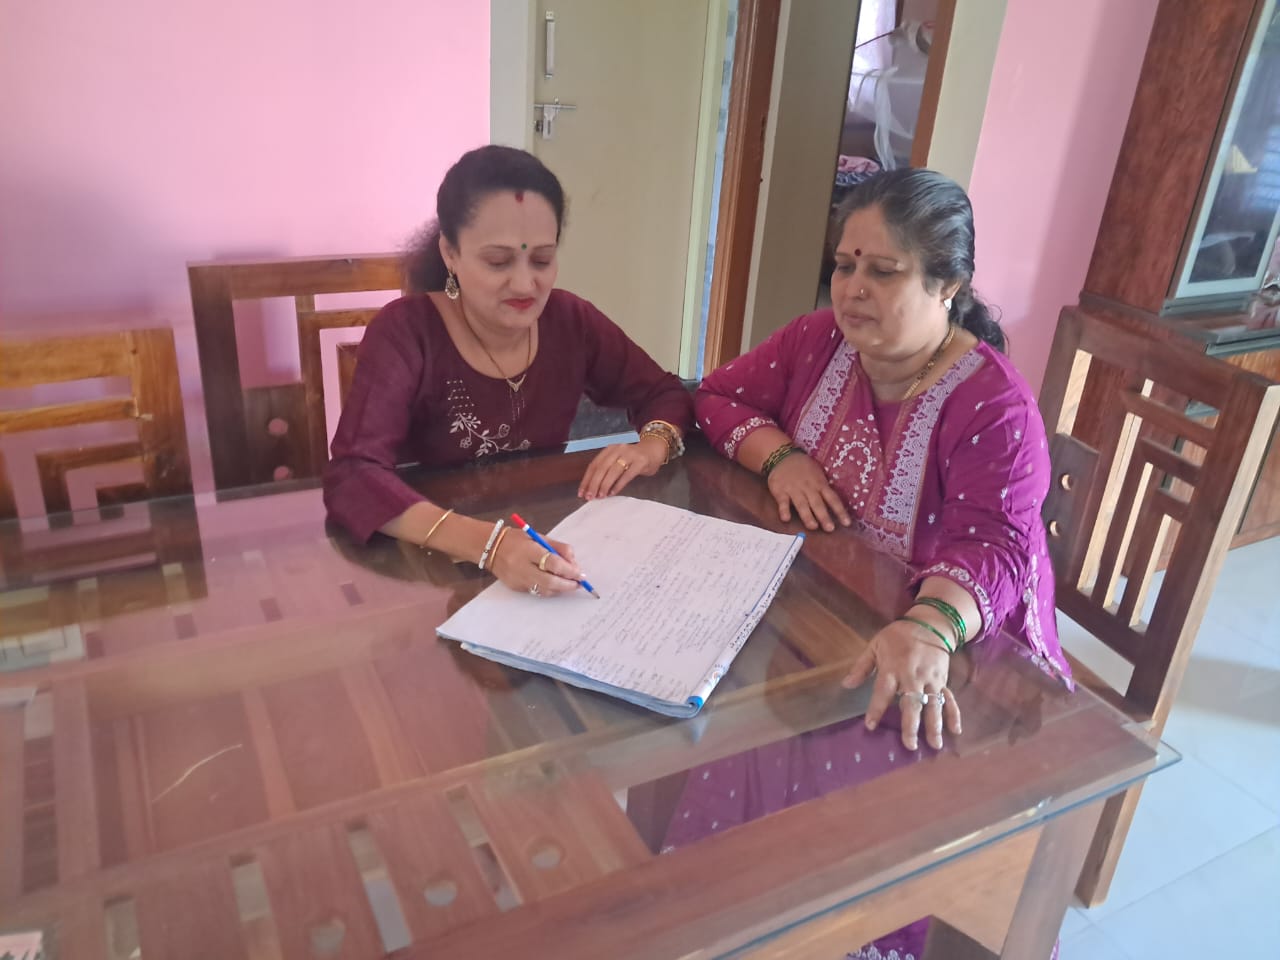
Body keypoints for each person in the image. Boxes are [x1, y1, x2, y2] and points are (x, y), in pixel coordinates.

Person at [689, 167, 1069, 960]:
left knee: (853, 758)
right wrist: (782, 457)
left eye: (884, 271)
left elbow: (995, 545)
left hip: (962, 651)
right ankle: (737, 917)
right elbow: (717, 398)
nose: (853, 289)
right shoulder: (817, 342)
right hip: (827, 609)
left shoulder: (993, 404)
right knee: (723, 707)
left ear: (948, 286)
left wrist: (927, 628)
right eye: (844, 265)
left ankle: (843, 934)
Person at [324, 146, 694, 596]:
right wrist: (491, 546)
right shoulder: (406, 332)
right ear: (450, 253)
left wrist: (652, 446)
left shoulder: (570, 322)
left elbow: (663, 393)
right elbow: (353, 475)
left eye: (542, 260)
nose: (524, 284)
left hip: (541, 550)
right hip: (428, 566)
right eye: (498, 262)